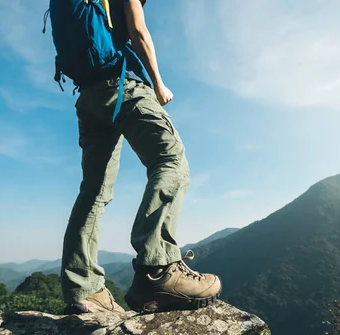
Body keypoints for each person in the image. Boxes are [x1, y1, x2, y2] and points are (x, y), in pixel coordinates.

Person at [52, 0, 222, 314]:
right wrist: (158, 84)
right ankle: (158, 269)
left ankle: (82, 289)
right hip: (122, 86)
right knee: (171, 160)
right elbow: (139, 32)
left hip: (88, 98)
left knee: (93, 192)